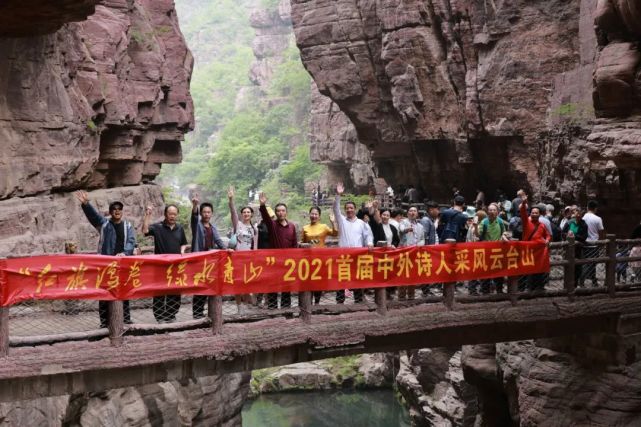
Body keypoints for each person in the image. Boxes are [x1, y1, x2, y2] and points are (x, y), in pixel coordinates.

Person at [75, 191, 134, 328]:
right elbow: (93, 217)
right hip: (106, 265)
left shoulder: (127, 226)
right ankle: (104, 322)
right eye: (114, 209)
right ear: (110, 212)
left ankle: (125, 318)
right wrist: (86, 204)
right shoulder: (104, 224)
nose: (117, 211)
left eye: (119, 209)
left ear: (122, 212)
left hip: (122, 264)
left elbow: (131, 241)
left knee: (123, 291)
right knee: (104, 292)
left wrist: (125, 253)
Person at [143, 204, 188, 323]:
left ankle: (171, 315)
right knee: (159, 291)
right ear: (165, 214)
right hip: (160, 266)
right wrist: (148, 214)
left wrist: (182, 251)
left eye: (174, 214)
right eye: (170, 213)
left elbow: (183, 243)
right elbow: (145, 230)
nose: (172, 216)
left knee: (175, 290)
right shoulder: (158, 227)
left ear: (177, 214)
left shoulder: (180, 228)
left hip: (175, 266)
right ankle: (159, 316)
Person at [333, 182, 374, 303]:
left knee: (357, 278)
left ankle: (359, 300)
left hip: (358, 256)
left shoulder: (361, 223)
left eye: (351, 208)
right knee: (341, 278)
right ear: (345, 210)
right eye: (347, 208)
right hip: (343, 256)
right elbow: (335, 208)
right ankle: (339, 302)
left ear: (355, 209)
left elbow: (368, 235)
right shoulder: (341, 221)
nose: (349, 210)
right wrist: (338, 195)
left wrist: (370, 243)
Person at [259, 192, 298, 309]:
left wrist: (295, 260)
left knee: (287, 288)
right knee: (273, 286)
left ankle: (286, 309)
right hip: (274, 262)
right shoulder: (273, 225)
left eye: (283, 210)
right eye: (278, 211)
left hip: (288, 263)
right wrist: (262, 205)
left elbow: (294, 244)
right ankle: (272, 309)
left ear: (286, 212)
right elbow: (266, 217)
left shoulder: (292, 226)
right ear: (276, 213)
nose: (281, 213)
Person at [191, 196, 226, 319]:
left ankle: (207, 312)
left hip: (211, 262)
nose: (206, 214)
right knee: (200, 286)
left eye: (208, 212)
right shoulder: (197, 225)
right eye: (204, 212)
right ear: (201, 213)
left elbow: (219, 241)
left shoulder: (213, 227)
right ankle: (197, 313)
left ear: (211, 214)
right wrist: (195, 205)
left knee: (209, 285)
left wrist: (227, 250)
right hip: (200, 260)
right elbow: (194, 218)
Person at [228, 187, 258, 314]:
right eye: (244, 212)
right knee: (238, 283)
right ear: (242, 214)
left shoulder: (254, 228)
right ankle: (239, 307)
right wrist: (231, 200)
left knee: (248, 283)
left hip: (249, 259)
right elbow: (233, 212)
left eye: (248, 212)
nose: (246, 214)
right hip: (237, 259)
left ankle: (247, 305)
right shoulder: (238, 225)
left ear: (251, 214)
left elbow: (255, 245)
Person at [302, 206, 338, 304]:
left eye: (316, 214)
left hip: (320, 260)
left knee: (318, 282)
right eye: (312, 214)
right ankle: (308, 302)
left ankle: (317, 303)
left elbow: (335, 233)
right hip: (308, 260)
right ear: (309, 215)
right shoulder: (305, 228)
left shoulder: (324, 227)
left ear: (319, 216)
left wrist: (333, 222)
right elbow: (302, 244)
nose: (314, 216)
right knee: (308, 282)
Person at [520, 194, 551, 292]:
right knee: (528, 270)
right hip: (528, 251)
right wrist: (524, 202)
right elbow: (523, 212)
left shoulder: (542, 225)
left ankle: (539, 287)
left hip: (539, 252)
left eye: (536, 213)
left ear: (539, 214)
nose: (534, 214)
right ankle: (528, 288)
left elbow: (548, 235)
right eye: (532, 213)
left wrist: (547, 240)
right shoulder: (527, 223)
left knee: (539, 269)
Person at [475, 203, 508, 294]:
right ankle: (485, 291)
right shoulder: (484, 222)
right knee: (486, 272)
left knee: (498, 272)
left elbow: (504, 232)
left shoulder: (500, 221)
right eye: (490, 210)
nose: (492, 212)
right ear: (487, 212)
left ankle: (499, 291)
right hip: (486, 251)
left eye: (494, 210)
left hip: (497, 251)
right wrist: (475, 227)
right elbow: (478, 235)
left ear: (497, 212)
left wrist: (504, 236)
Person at [398, 206, 424, 300]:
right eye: (410, 210)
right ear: (407, 213)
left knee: (413, 274)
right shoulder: (403, 222)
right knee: (403, 274)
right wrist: (407, 229)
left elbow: (422, 239)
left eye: (414, 211)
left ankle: (411, 296)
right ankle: (401, 297)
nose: (412, 212)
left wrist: (419, 245)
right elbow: (401, 230)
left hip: (415, 253)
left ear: (417, 213)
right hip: (404, 253)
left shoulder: (420, 226)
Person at [581, 200, 605, 287]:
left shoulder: (583, 218)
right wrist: (601, 243)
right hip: (594, 245)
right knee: (592, 264)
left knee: (584, 263)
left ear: (587, 207)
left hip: (584, 244)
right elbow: (601, 232)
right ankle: (591, 282)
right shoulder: (598, 219)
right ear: (595, 208)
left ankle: (585, 282)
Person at [563, 206, 588, 288]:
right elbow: (563, 233)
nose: (577, 215)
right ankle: (566, 285)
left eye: (579, 213)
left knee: (577, 268)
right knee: (567, 267)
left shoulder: (584, 224)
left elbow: (584, 237)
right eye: (575, 213)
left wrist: (575, 236)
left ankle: (575, 285)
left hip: (578, 250)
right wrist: (567, 235)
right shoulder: (569, 223)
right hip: (568, 249)